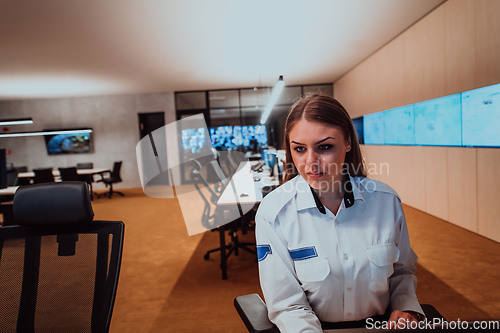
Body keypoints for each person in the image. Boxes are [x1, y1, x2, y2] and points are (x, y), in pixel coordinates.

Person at [255, 94, 423, 332]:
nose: (311, 162)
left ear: (348, 143)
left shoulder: (386, 202)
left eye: (324, 147)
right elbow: (287, 306)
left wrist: (406, 307)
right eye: (300, 149)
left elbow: (402, 270)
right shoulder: (274, 213)